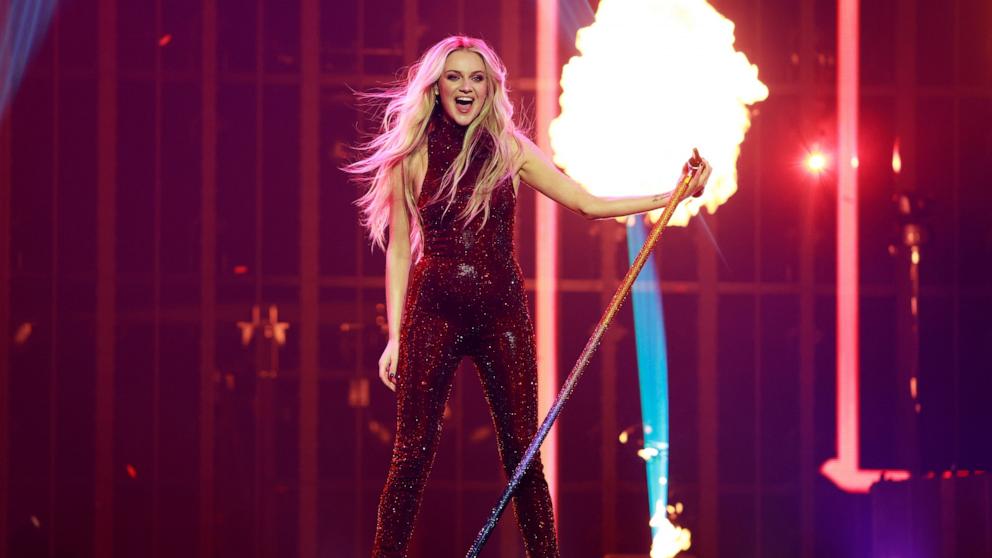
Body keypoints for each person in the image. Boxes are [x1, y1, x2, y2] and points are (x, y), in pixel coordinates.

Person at [346, 35, 710, 558]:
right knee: (411, 453)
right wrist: (395, 338)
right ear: (437, 88)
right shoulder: (413, 155)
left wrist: (672, 194)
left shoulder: (510, 147)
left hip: (501, 312)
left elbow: (584, 202)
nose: (465, 87)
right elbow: (399, 251)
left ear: (491, 87)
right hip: (434, 309)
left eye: (477, 77)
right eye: (455, 77)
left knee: (524, 451)